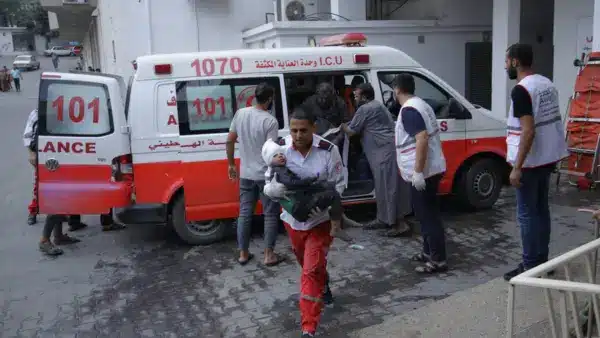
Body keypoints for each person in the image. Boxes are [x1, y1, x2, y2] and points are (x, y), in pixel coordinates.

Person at [263, 107, 344, 337]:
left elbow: (339, 184)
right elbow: (269, 179)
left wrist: (325, 203)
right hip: (292, 221)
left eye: (303, 131)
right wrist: (273, 190)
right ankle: (324, 283)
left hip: (320, 222)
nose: (298, 136)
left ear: (314, 128)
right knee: (308, 264)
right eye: (294, 130)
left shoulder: (329, 151)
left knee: (309, 271)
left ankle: (308, 327)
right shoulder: (280, 149)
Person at [502, 43, 568, 281]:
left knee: (527, 214)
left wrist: (517, 167)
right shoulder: (546, 84)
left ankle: (531, 266)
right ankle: (542, 261)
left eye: (506, 61)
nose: (505, 65)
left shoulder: (522, 90)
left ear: (516, 62)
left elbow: (528, 131)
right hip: (547, 158)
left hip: (530, 163)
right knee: (540, 211)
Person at [393, 74, 449, 273]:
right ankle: (428, 252)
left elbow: (422, 138)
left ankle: (438, 260)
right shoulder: (420, 104)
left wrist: (417, 172)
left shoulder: (409, 110)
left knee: (428, 217)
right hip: (430, 169)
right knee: (426, 214)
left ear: (397, 89)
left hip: (424, 173)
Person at [341, 83, 412, 237]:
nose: (355, 98)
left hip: (383, 153)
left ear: (365, 96)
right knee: (383, 188)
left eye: (356, 95)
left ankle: (399, 224)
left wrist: (340, 126)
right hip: (384, 151)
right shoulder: (377, 105)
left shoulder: (365, 109)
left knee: (389, 188)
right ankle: (383, 219)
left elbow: (352, 131)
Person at [226, 82, 284, 267]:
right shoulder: (270, 121)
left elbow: (230, 140)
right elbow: (271, 152)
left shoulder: (241, 114)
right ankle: (269, 255)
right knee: (270, 214)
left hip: (245, 174)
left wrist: (231, 165)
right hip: (265, 176)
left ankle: (243, 253)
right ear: (268, 100)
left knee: (244, 213)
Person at [261, 138, 351, 242]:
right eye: (275, 156)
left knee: (329, 188)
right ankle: (337, 225)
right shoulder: (280, 169)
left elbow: (338, 182)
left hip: (307, 210)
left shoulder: (328, 149)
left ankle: (339, 221)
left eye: (280, 154)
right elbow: (292, 183)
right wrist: (310, 180)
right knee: (332, 194)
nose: (280, 156)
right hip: (300, 208)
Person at [23, 109, 90, 230]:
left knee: (71, 186)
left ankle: (72, 220)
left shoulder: (69, 111)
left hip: (67, 151)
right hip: (46, 153)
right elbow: (28, 135)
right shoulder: (38, 112)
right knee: (43, 186)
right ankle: (34, 212)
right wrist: (31, 153)